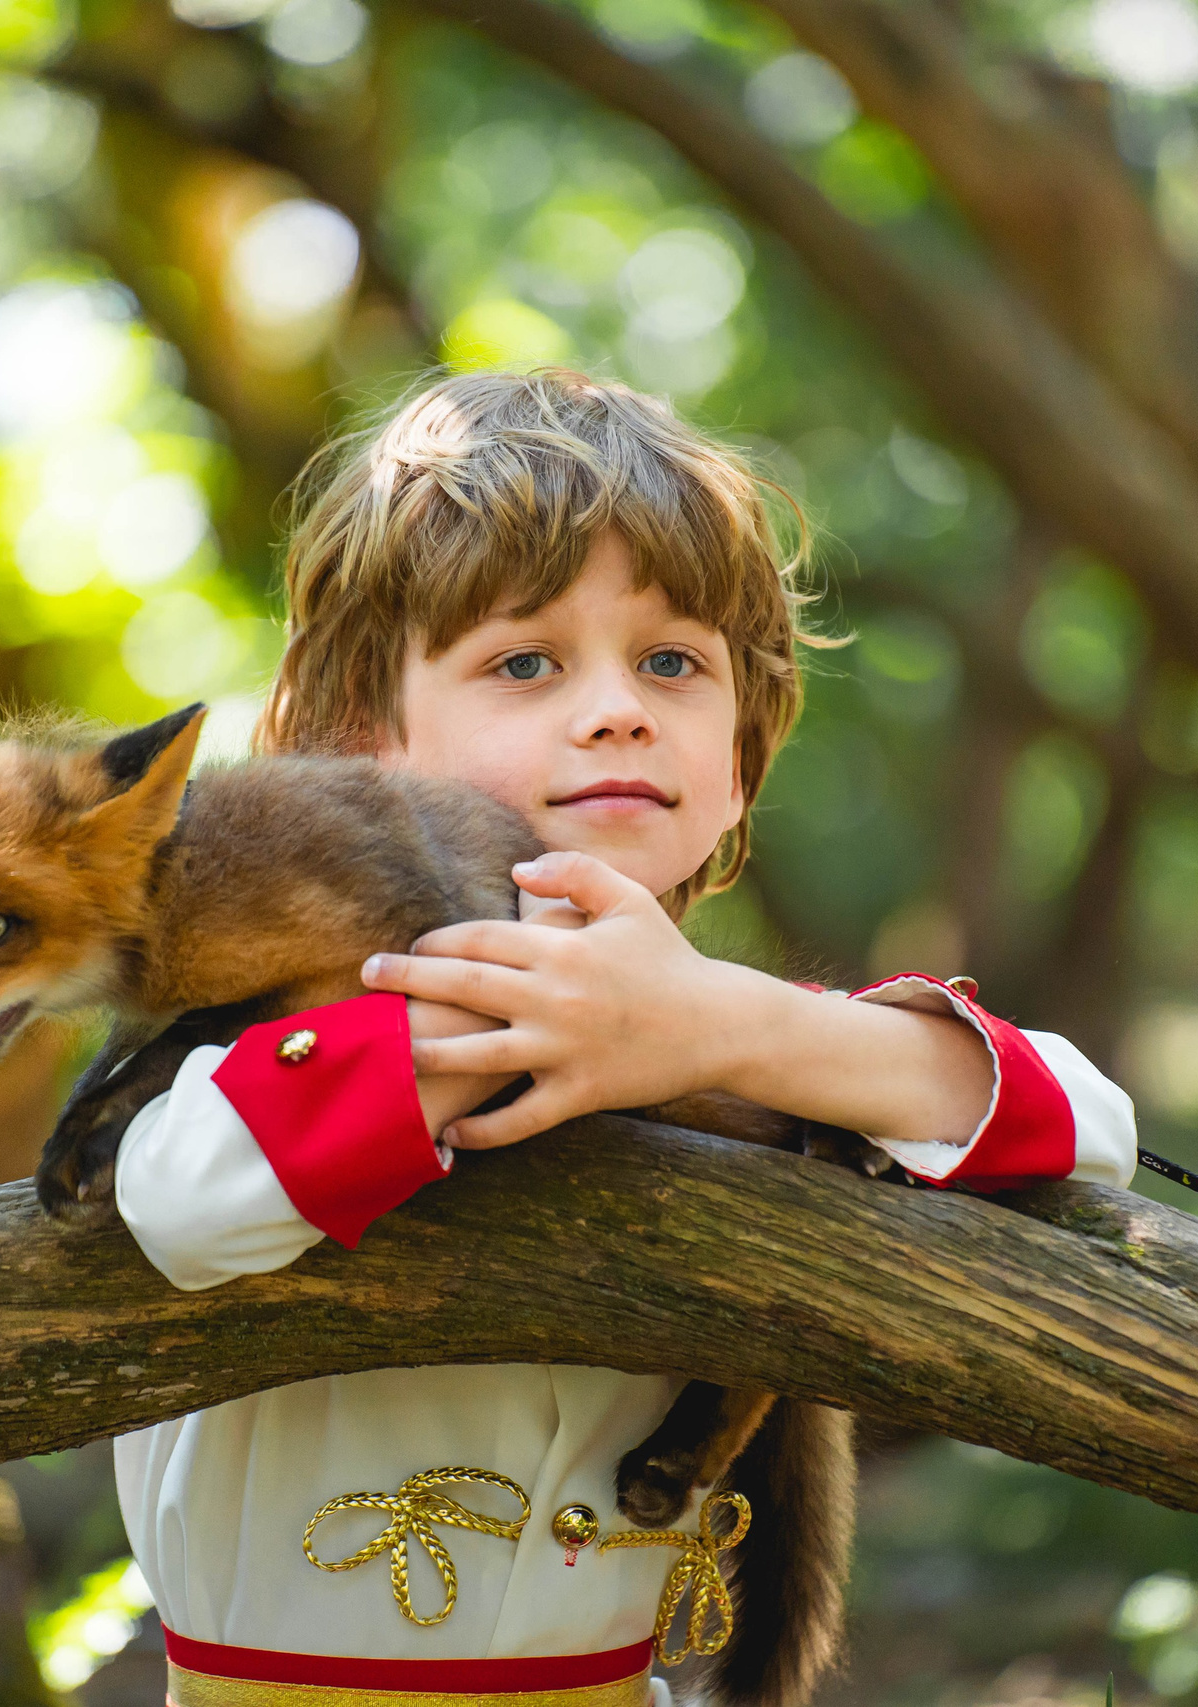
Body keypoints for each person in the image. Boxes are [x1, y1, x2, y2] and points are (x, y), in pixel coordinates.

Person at [110, 368, 1136, 1705]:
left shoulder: (740, 1043)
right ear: (357, 751)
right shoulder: (277, 1033)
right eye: (524, 663)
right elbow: (181, 1201)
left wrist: (719, 1027)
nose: (617, 710)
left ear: (739, 762)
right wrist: (491, 1016)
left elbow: (1093, 1127)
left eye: (671, 663)